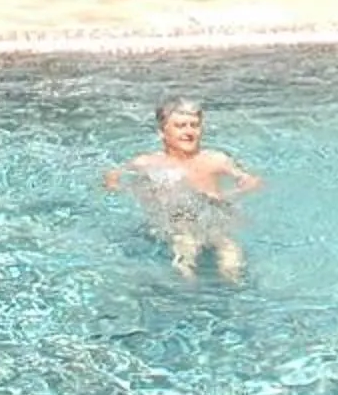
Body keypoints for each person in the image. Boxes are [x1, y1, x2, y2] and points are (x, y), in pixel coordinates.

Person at [102, 96, 262, 279]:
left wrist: (237, 190)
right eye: (180, 126)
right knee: (185, 245)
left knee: (229, 250)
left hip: (213, 217)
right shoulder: (148, 163)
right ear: (162, 132)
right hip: (176, 221)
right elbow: (113, 175)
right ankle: (188, 287)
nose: (188, 131)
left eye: (194, 125)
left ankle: (235, 285)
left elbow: (250, 180)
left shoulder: (215, 160)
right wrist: (124, 190)